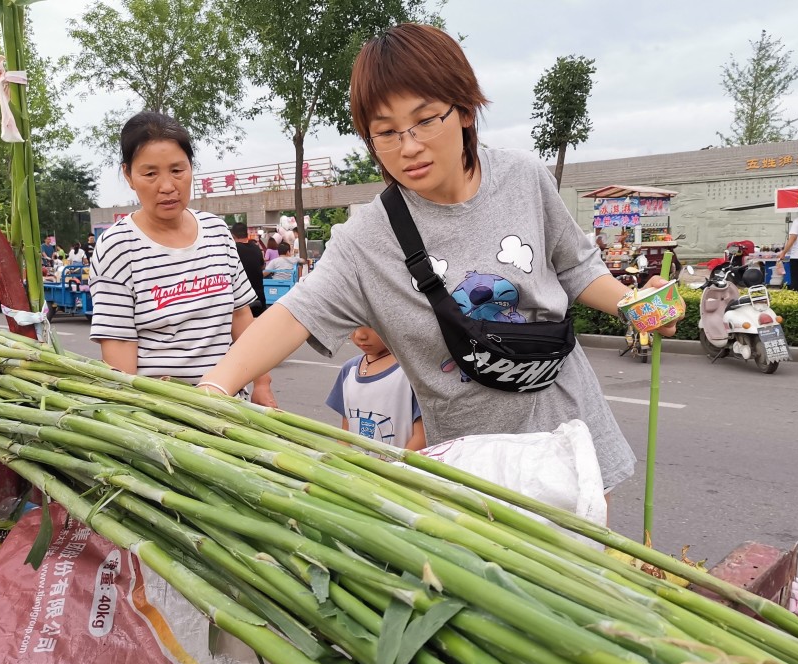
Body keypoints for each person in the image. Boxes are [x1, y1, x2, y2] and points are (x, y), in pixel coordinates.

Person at [199, 24, 679, 495]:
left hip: (572, 430)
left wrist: (635, 305)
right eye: (385, 133)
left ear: (465, 109)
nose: (408, 147)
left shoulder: (522, 177)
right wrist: (214, 389)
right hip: (473, 469)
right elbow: (293, 314)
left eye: (425, 120)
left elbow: (575, 266)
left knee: (593, 569)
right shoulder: (368, 236)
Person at [89, 111, 275, 406]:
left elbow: (240, 318)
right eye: (150, 174)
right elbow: (121, 366)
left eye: (177, 170)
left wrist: (262, 384)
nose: (167, 186)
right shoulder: (118, 247)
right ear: (128, 175)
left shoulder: (216, 231)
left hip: (230, 406)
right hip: (165, 418)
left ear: (191, 168)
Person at [326, 326, 426, 450]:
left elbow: (422, 437)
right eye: (354, 324)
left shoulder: (411, 373)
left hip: (399, 468)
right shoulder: (349, 369)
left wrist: (391, 468)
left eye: (370, 324)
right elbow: (346, 431)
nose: (360, 335)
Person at [230, 222, 267, 317]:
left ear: (233, 235)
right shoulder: (256, 248)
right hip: (259, 296)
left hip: (242, 300)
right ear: (247, 234)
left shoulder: (233, 249)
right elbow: (262, 266)